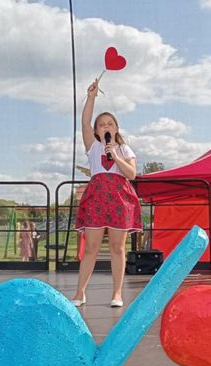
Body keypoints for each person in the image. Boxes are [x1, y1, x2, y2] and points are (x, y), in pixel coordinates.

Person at [72, 79, 142, 308]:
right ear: (96, 130)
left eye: (110, 124)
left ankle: (117, 293)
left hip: (119, 199)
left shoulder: (124, 149)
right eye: (102, 124)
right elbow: (84, 122)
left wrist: (116, 156)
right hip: (97, 198)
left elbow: (131, 174)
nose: (106, 126)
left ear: (116, 129)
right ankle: (80, 293)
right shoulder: (93, 146)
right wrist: (91, 97)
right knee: (91, 247)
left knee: (117, 248)